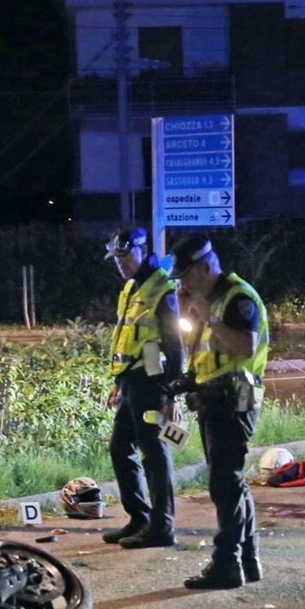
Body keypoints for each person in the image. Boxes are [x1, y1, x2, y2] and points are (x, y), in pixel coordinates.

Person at [168, 234, 270, 590]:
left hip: (235, 401)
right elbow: (203, 354)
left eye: (185, 276)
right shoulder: (209, 301)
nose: (181, 283)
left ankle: (226, 563)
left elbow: (245, 345)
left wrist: (208, 317)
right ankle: (248, 559)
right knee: (232, 483)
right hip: (215, 401)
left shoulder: (236, 298)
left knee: (225, 485)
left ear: (203, 267)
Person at [101, 227, 186, 549]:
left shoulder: (161, 288)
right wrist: (118, 382)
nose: (120, 263)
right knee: (120, 448)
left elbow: (175, 346)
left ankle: (162, 527)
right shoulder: (130, 288)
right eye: (116, 258)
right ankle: (140, 517)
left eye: (125, 256)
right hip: (132, 382)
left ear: (143, 249)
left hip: (153, 383)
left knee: (154, 453)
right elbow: (127, 338)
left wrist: (172, 393)